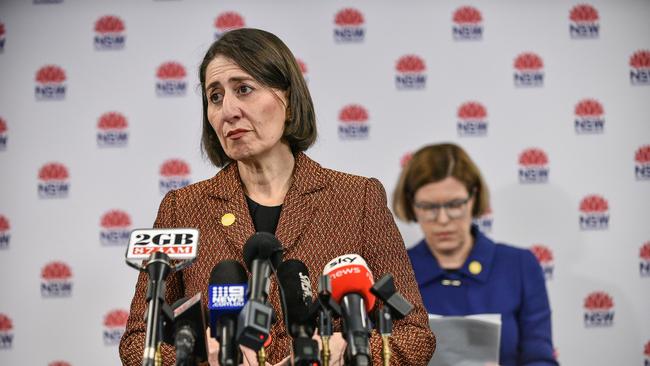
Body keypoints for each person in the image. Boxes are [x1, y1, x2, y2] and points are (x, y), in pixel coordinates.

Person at [119, 28, 435, 365]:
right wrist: (199, 359)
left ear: (287, 97)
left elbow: (413, 334)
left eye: (244, 89)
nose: (228, 110)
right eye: (215, 97)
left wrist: (347, 352)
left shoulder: (357, 198)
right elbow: (138, 342)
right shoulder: (182, 208)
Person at [392, 143, 557, 366]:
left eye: (454, 204)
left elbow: (540, 358)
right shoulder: (395, 273)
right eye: (428, 207)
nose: (442, 220)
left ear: (473, 197)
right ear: (412, 206)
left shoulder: (519, 265)